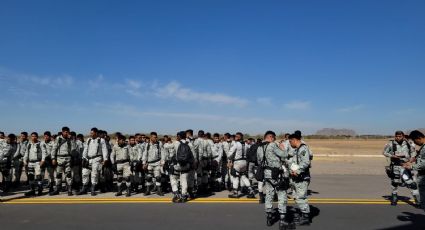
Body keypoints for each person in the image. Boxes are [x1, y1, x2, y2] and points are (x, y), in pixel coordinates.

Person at [257, 131, 292, 230]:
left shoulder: (260, 147)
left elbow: (259, 161)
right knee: (282, 194)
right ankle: (282, 219)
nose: (275, 139)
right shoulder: (273, 145)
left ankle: (269, 216)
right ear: (271, 137)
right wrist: (282, 148)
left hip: (266, 174)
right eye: (274, 138)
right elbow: (284, 155)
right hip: (276, 174)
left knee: (269, 194)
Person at [383, 131, 419, 206]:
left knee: (411, 183)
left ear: (403, 136)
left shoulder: (409, 144)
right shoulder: (391, 144)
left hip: (405, 166)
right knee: (395, 182)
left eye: (400, 136)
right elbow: (384, 152)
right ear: (395, 136)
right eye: (396, 136)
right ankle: (394, 196)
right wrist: (392, 156)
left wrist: (411, 160)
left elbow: (413, 153)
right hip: (395, 166)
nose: (398, 138)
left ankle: (417, 200)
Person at [288, 132, 312, 226]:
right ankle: (302, 213)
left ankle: (306, 217)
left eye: (290, 142)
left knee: (301, 197)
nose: (290, 144)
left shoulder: (303, 149)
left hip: (302, 177)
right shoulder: (297, 150)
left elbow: (306, 162)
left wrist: (297, 171)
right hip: (296, 178)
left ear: (294, 140)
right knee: (297, 197)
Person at [77, 128, 108, 196]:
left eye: (92, 133)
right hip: (88, 159)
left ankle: (93, 189)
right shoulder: (88, 140)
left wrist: (105, 159)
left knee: (94, 174)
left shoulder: (101, 140)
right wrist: (84, 158)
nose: (91, 134)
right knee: (84, 173)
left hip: (97, 159)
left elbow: (104, 150)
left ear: (96, 133)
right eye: (90, 133)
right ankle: (84, 188)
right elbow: (85, 149)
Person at [168, 131, 195, 203]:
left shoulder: (176, 143)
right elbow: (193, 156)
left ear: (179, 137)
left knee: (172, 177)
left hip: (177, 165)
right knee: (184, 180)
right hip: (186, 165)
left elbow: (165, 146)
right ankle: (183, 195)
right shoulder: (190, 144)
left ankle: (176, 193)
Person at [50, 127, 77, 196]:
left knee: (68, 175)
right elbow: (54, 149)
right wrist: (53, 158)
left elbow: (74, 149)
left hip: (68, 158)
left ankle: (69, 190)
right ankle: (57, 190)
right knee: (58, 175)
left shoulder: (70, 139)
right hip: (59, 158)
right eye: (65, 132)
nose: (66, 133)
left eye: (67, 132)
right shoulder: (58, 139)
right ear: (62, 132)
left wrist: (72, 140)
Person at [227, 132, 255, 199]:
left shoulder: (236, 144)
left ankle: (235, 193)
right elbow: (249, 153)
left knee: (235, 177)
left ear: (238, 137)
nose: (235, 137)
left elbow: (229, 154)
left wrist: (230, 159)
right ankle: (251, 191)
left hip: (237, 162)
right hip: (245, 162)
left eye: (236, 136)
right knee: (244, 176)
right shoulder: (246, 144)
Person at [403, 130, 425, 212]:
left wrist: (411, 166)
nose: (415, 143)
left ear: (418, 138)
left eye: (415, 141)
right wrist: (410, 162)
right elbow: (418, 156)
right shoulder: (423, 147)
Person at [142, 132, 165, 196]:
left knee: (158, 177)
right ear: (151, 137)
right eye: (154, 137)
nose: (155, 138)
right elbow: (145, 154)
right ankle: (148, 190)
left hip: (157, 163)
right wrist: (144, 163)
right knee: (148, 178)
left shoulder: (159, 144)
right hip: (149, 164)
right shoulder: (147, 145)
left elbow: (163, 153)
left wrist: (163, 162)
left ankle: (159, 190)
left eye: (156, 137)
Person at [23, 132, 43, 196]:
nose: (33, 137)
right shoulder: (29, 144)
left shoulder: (40, 144)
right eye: (32, 136)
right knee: (31, 177)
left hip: (38, 162)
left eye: (35, 136)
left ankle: (40, 190)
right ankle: (32, 190)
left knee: (39, 177)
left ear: (37, 137)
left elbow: (44, 153)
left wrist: (42, 161)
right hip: (30, 163)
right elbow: (26, 153)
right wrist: (25, 161)